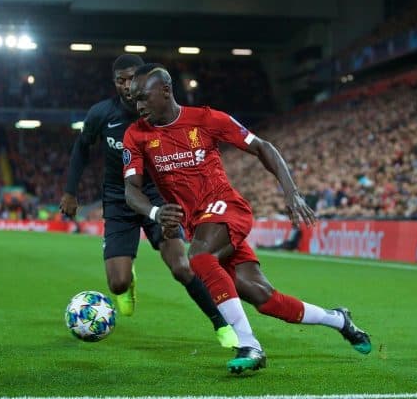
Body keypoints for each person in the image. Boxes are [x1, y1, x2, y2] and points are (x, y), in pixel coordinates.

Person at [123, 64, 371, 374]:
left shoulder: (207, 119)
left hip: (227, 208)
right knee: (265, 298)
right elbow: (130, 191)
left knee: (198, 257)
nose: (139, 106)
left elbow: (262, 147)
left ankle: (250, 345)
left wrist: (291, 192)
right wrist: (156, 212)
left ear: (166, 90)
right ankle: (339, 319)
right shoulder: (136, 135)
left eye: (144, 98)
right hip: (198, 224)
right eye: (134, 100)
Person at [59, 54, 237, 349]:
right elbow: (81, 148)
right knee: (117, 282)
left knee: (181, 266)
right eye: (121, 80)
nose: (127, 86)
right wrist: (70, 191)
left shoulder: (157, 112)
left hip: (157, 194)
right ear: (114, 82)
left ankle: (221, 325)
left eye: (132, 79)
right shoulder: (102, 114)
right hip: (118, 198)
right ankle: (129, 280)